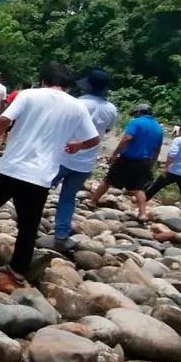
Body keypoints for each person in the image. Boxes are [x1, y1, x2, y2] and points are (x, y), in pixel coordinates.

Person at [0, 62, 100, 285]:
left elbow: (3, 119)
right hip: (39, 177)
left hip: (10, 168)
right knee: (29, 225)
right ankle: (18, 269)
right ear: (67, 84)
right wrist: (76, 147)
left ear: (43, 80)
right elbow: (94, 140)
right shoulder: (78, 107)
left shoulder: (29, 95)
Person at [51, 70, 119, 250]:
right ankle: (61, 233)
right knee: (68, 198)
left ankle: (25, 219)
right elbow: (107, 131)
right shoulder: (111, 109)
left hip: (62, 156)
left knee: (40, 188)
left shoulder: (77, 103)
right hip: (86, 161)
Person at [88, 103, 164, 221]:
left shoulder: (136, 122)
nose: (134, 116)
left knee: (108, 180)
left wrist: (115, 154)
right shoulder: (158, 128)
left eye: (135, 113)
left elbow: (127, 138)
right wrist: (152, 163)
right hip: (144, 161)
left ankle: (93, 201)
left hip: (128, 158)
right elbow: (157, 149)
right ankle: (142, 214)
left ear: (140, 112)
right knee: (139, 188)